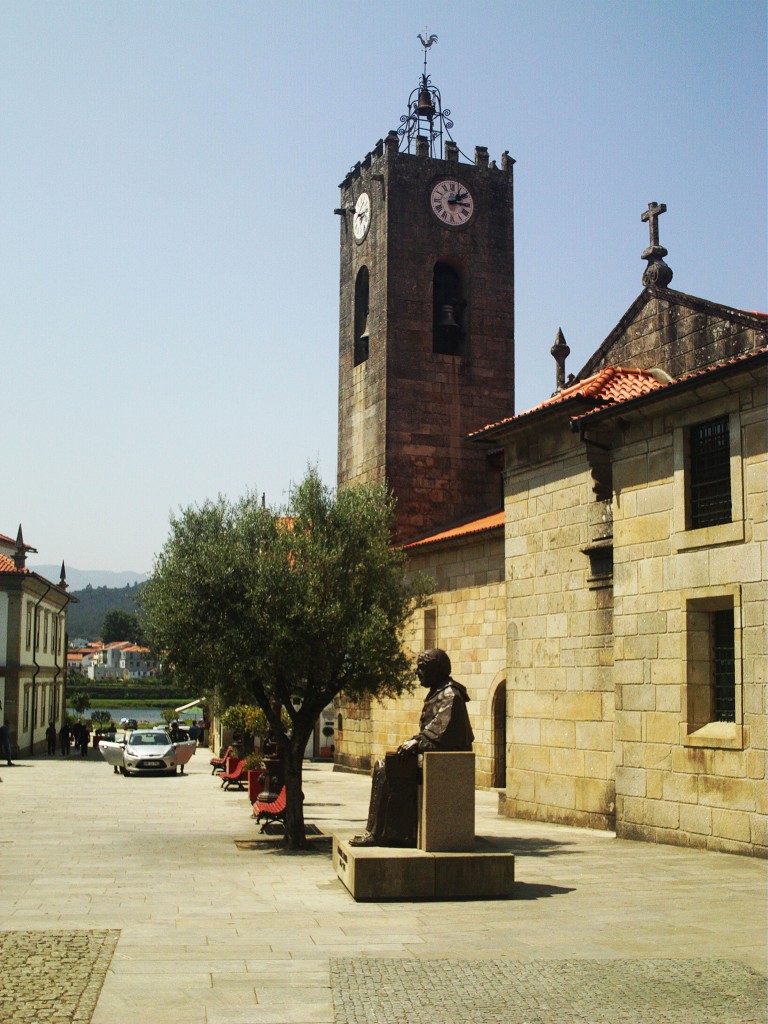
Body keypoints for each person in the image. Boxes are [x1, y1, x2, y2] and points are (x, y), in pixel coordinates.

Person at [350, 648, 474, 848]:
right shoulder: (439, 692)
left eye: (422, 668)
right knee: (383, 765)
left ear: (436, 669)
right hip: (434, 757)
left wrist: (417, 742)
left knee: (387, 769)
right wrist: (417, 740)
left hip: (445, 763)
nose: (417, 673)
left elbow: (446, 734)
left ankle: (386, 834)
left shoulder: (451, 695)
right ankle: (385, 831)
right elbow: (434, 730)